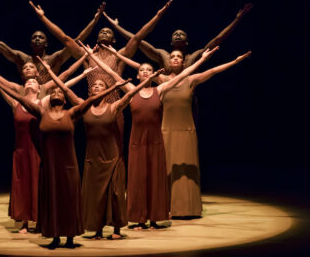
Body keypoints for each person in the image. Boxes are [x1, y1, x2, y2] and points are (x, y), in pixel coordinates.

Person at [0, 63, 129, 249]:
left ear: (65, 99)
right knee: (51, 200)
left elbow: (90, 100)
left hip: (69, 167)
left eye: (59, 93)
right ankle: (54, 236)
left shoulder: (72, 113)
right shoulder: (41, 112)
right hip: (49, 166)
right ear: (49, 98)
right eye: (53, 93)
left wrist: (114, 88)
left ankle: (69, 237)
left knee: (68, 201)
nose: (56, 94)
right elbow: (17, 97)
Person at [80, 41, 219, 228]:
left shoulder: (159, 90)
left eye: (148, 70)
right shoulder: (130, 90)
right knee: (137, 181)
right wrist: (94, 57)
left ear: (153, 75)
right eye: (142, 70)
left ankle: (154, 218)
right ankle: (138, 218)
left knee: (155, 179)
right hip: (137, 142)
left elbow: (184, 74)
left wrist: (202, 60)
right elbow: (111, 73)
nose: (145, 72)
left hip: (155, 142)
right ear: (138, 75)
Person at [0, 53, 95, 234]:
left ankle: (39, 221)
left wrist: (84, 74)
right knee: (21, 186)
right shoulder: (16, 103)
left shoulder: (42, 103)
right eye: (27, 82)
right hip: (21, 151)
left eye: (33, 82)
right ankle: (23, 222)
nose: (29, 82)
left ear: (39, 89)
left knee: (38, 185)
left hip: (37, 150)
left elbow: (64, 84)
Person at [37, 55, 161, 239]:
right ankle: (98, 230)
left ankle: (117, 229)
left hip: (112, 156)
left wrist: (148, 81)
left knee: (116, 194)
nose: (96, 87)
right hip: (92, 158)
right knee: (95, 195)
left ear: (106, 90)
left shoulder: (113, 107)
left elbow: (129, 95)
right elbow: (64, 89)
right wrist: (49, 72)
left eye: (100, 85)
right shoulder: (83, 106)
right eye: (94, 86)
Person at [29, 0, 173, 151]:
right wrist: (42, 17)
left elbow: (137, 37)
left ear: (114, 39)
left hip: (114, 108)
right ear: (97, 38)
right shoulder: (88, 56)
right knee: (93, 149)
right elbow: (66, 39)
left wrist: (158, 15)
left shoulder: (119, 56)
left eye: (108, 32)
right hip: (91, 109)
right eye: (101, 31)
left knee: (117, 149)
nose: (104, 32)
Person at [160, 49, 252, 218]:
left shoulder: (191, 79)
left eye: (179, 57)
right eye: (172, 56)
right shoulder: (161, 80)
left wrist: (235, 61)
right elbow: (138, 68)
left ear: (183, 62)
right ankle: (165, 207)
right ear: (168, 62)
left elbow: (213, 71)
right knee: (166, 169)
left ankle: (188, 208)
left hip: (187, 131)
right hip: (166, 131)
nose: (175, 59)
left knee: (187, 170)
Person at [0, 2, 105, 83]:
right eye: (34, 37)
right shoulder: (22, 58)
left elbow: (75, 41)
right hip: (28, 99)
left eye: (41, 37)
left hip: (51, 101)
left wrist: (95, 21)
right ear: (30, 43)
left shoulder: (55, 58)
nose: (37, 39)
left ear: (46, 43)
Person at [103, 3, 253, 73]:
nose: (178, 35)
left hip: (187, 97)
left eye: (181, 34)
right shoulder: (162, 55)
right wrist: (117, 27)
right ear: (171, 41)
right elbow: (137, 40)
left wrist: (237, 19)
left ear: (186, 42)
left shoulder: (194, 56)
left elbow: (217, 40)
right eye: (175, 34)